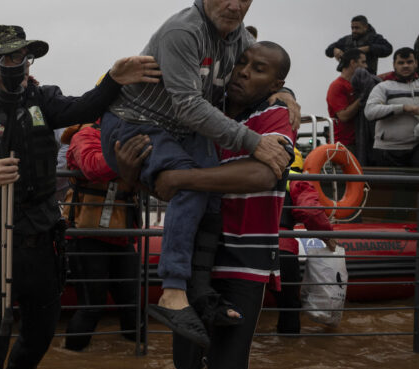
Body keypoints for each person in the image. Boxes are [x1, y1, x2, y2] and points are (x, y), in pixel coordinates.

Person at [0, 25, 160, 369]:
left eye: (24, 57)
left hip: (41, 245)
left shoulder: (43, 101)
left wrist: (114, 79)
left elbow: (86, 106)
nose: (20, 64)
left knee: (39, 337)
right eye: (11, 57)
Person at [99, 0, 296, 347]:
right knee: (190, 182)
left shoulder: (238, 42)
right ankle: (172, 291)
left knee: (204, 185)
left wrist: (287, 93)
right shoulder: (183, 31)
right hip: (138, 121)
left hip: (179, 133)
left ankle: (198, 291)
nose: (234, 5)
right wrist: (253, 142)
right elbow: (189, 105)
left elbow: (265, 60)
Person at [59, 120, 143, 351]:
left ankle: (139, 358)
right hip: (87, 235)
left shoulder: (136, 136)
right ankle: (72, 357)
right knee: (92, 305)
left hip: (122, 234)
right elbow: (92, 166)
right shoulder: (85, 135)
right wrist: (132, 159)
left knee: (133, 305)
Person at [273, 148, 336, 334]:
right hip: (281, 246)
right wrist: (327, 235)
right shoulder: (295, 179)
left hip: (243, 247)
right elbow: (310, 211)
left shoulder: (252, 175)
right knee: (289, 307)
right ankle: (288, 355)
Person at [364, 47, 419, 167]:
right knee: (389, 185)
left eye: (409, 62)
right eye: (401, 62)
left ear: (416, 63)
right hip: (387, 151)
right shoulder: (383, 87)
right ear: (394, 65)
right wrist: (403, 108)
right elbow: (370, 112)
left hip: (416, 149)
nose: (405, 66)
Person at [326, 48, 368, 153]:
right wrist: (362, 98)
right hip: (344, 145)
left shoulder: (358, 85)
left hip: (360, 142)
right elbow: (343, 116)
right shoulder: (337, 86)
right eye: (363, 62)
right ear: (353, 63)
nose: (366, 66)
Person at [325, 15, 393, 75]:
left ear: (365, 27)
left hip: (368, 78)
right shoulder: (346, 40)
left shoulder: (374, 38)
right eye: (352, 28)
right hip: (348, 78)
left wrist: (368, 48)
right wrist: (334, 50)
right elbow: (328, 51)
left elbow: (388, 48)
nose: (354, 30)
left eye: (357, 28)